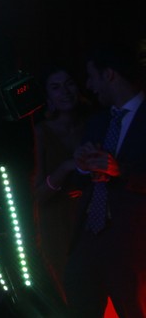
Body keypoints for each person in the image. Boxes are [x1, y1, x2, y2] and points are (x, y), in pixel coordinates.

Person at [64, 33, 146, 317]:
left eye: (91, 76)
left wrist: (119, 171)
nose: (88, 86)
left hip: (132, 242)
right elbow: (79, 181)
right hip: (90, 237)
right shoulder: (98, 121)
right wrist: (82, 166)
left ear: (109, 74)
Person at [31, 64, 92, 303]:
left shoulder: (93, 124)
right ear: (47, 96)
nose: (65, 92)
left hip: (92, 218)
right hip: (57, 224)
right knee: (72, 295)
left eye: (69, 84)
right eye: (56, 87)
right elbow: (37, 195)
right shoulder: (40, 133)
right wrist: (66, 167)